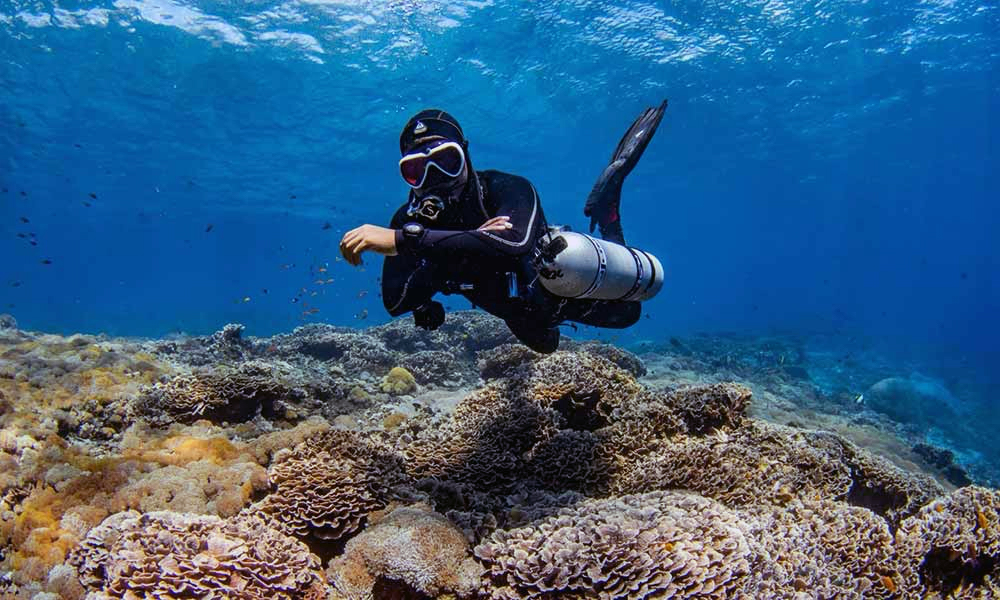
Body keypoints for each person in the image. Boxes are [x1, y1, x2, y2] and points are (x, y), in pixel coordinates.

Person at [339, 102, 667, 353]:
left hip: (551, 289)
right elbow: (395, 302)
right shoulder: (410, 221)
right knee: (546, 345)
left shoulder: (506, 188)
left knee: (629, 315)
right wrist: (466, 246)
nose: (435, 178)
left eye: (446, 161)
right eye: (417, 171)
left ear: (465, 155)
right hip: (509, 307)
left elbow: (514, 245)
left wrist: (409, 243)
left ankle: (607, 212)